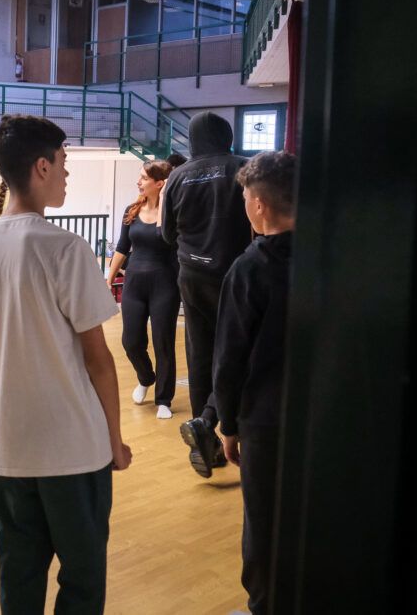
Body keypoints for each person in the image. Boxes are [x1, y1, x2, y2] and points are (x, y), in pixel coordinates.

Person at [0, 115, 131, 614]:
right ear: (41, 166)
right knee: (82, 581)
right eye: (63, 163)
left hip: (8, 449)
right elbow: (98, 359)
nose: (66, 174)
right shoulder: (66, 249)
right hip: (73, 452)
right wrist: (114, 440)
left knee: (19, 576)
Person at [213, 151, 296, 615]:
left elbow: (230, 359)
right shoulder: (334, 257)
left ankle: (264, 605)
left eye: (245, 195)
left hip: (265, 419)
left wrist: (227, 424)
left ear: (259, 203)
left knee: (262, 520)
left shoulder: (250, 268)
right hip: (323, 412)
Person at [159, 111, 251, 478]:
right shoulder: (243, 168)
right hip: (236, 273)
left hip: (191, 275)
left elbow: (166, 233)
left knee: (199, 356)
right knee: (235, 351)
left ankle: (205, 434)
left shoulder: (177, 176)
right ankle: (226, 424)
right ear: (226, 135)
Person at [107, 160, 180, 420]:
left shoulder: (171, 213)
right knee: (131, 341)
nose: (138, 182)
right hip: (135, 283)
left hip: (165, 284)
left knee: (163, 343)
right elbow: (121, 247)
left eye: (143, 178)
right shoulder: (131, 210)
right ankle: (146, 377)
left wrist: (164, 199)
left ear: (160, 183)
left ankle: (164, 398)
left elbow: (168, 238)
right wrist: (109, 278)